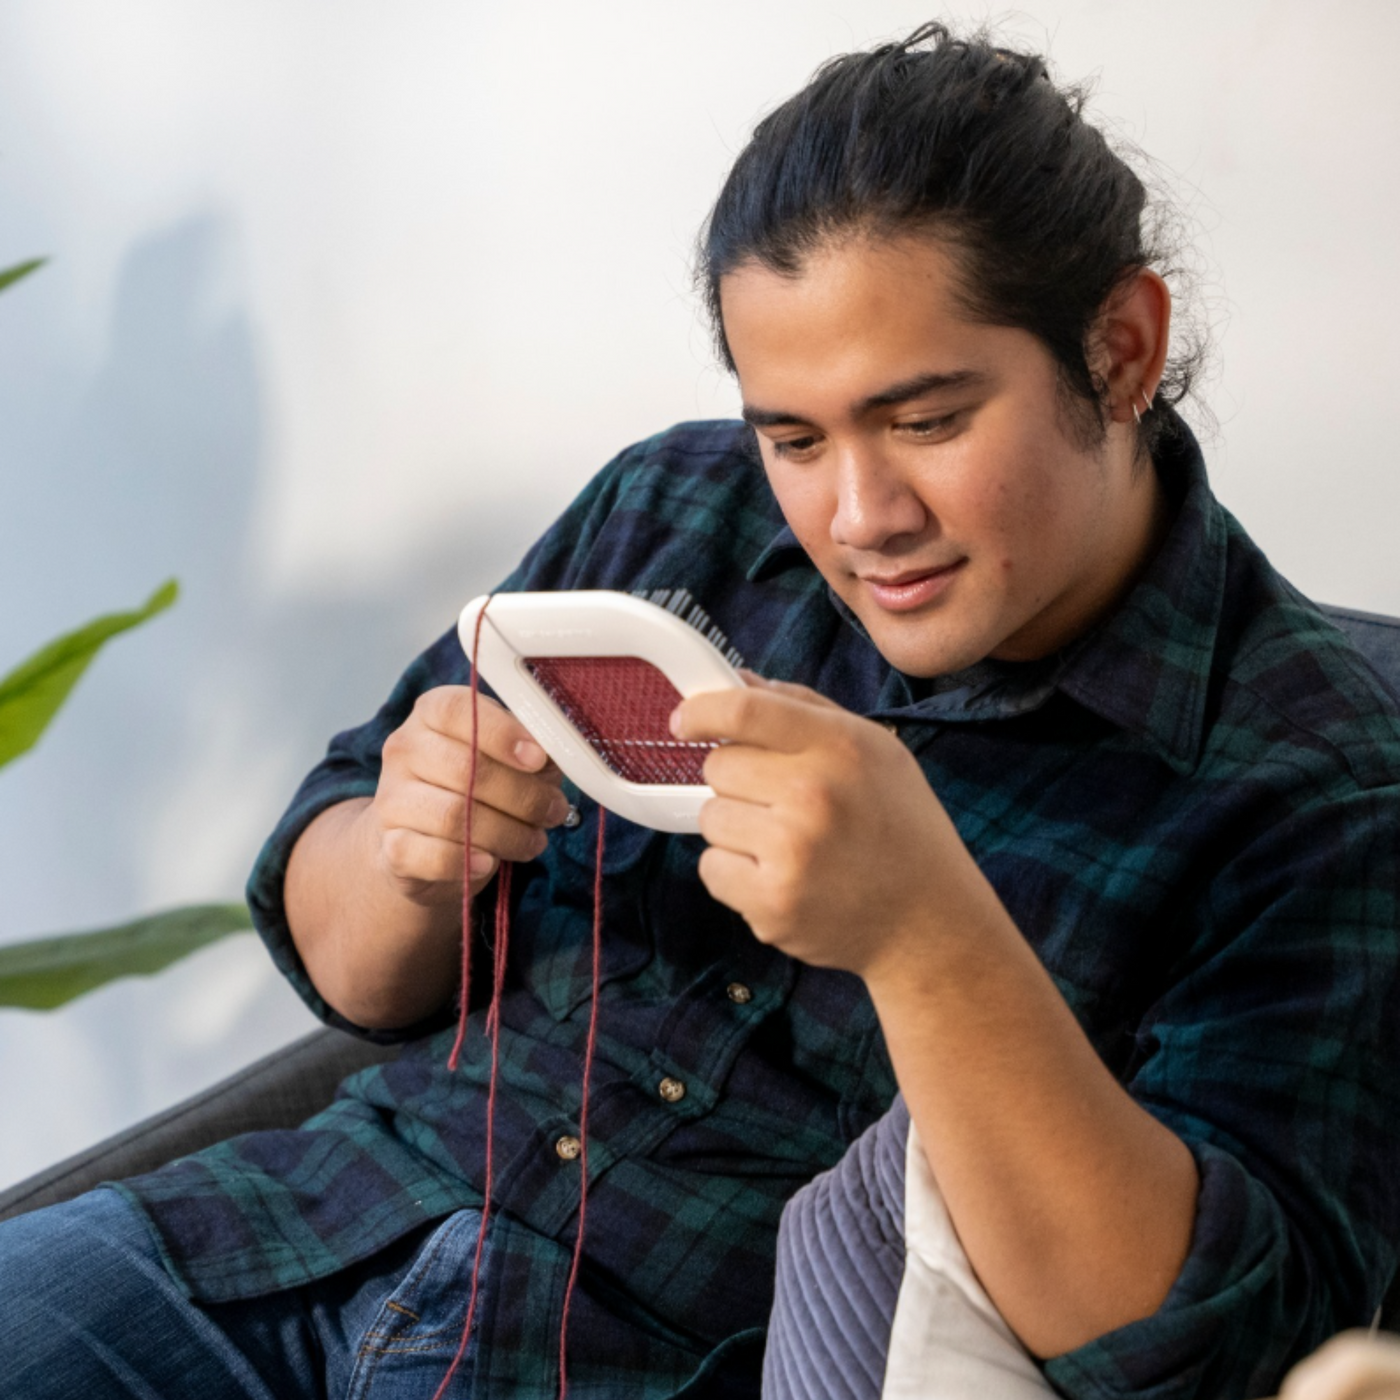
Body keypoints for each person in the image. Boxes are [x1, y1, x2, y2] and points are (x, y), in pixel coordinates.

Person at [2, 21, 1397, 1400]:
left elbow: (1213, 1345)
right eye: (794, 435)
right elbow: (354, 967)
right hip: (274, 1238)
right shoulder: (672, 507)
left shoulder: (1319, 785)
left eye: (926, 421)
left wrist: (927, 937)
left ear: (1122, 351)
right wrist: (405, 855)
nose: (862, 519)